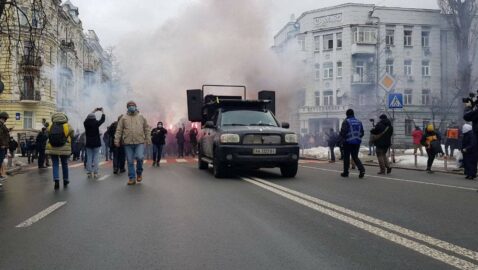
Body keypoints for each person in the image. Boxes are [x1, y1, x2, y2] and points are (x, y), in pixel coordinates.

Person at [114, 101, 151, 185]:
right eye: (129, 106)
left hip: (140, 142)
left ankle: (139, 173)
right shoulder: (123, 118)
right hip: (127, 143)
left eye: (133, 105)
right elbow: (119, 130)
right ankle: (132, 178)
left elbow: (146, 128)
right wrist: (116, 140)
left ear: (136, 106)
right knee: (130, 161)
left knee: (140, 157)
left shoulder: (141, 117)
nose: (131, 107)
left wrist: (148, 139)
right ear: (127, 108)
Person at [45, 112, 74, 190]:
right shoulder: (67, 126)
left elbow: (47, 134)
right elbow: (73, 135)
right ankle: (66, 180)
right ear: (65, 118)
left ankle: (56, 180)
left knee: (55, 164)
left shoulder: (51, 126)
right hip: (64, 147)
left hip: (52, 147)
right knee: (64, 163)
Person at [339, 109, 365, 178]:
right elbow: (362, 133)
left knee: (346, 157)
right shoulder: (359, 122)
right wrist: (357, 138)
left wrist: (341, 141)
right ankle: (362, 169)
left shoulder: (346, 121)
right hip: (357, 142)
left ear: (347, 114)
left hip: (347, 142)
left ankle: (346, 172)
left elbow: (343, 133)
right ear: (353, 114)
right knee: (355, 157)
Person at [84, 108, 106, 178]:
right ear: (94, 118)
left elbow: (88, 117)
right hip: (96, 143)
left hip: (88, 143)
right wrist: (102, 112)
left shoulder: (86, 123)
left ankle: (89, 173)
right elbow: (103, 120)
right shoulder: (96, 123)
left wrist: (94, 111)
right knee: (96, 158)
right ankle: (96, 173)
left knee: (89, 158)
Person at [0, 112, 10, 183]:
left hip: (3, 146)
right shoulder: (0, 125)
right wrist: (2, 144)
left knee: (1, 161)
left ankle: (0, 175)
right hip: (1, 146)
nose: (6, 120)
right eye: (5, 118)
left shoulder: (2, 125)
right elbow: (0, 136)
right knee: (0, 160)